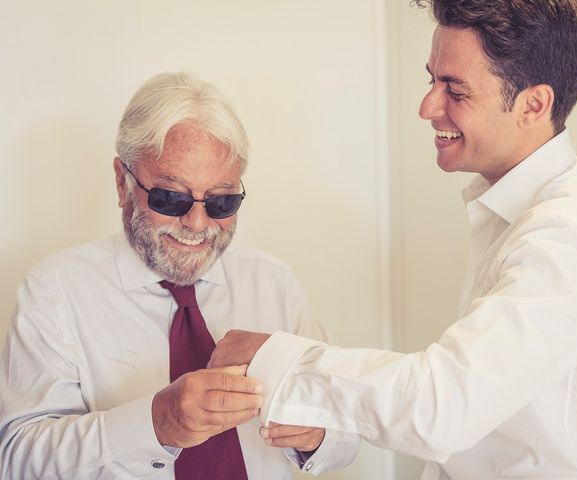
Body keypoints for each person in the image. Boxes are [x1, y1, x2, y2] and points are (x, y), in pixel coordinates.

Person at [209, 1, 577, 479]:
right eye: (431, 78)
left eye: (454, 89)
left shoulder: (574, 235)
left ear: (533, 105)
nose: (427, 107)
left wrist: (275, 361)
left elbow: (442, 407)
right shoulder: (514, 214)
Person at [0, 71, 359, 479]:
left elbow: (345, 435)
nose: (197, 223)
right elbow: (17, 460)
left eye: (222, 201)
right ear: (122, 182)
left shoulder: (275, 284)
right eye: (171, 198)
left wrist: (318, 435)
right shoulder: (54, 292)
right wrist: (154, 424)